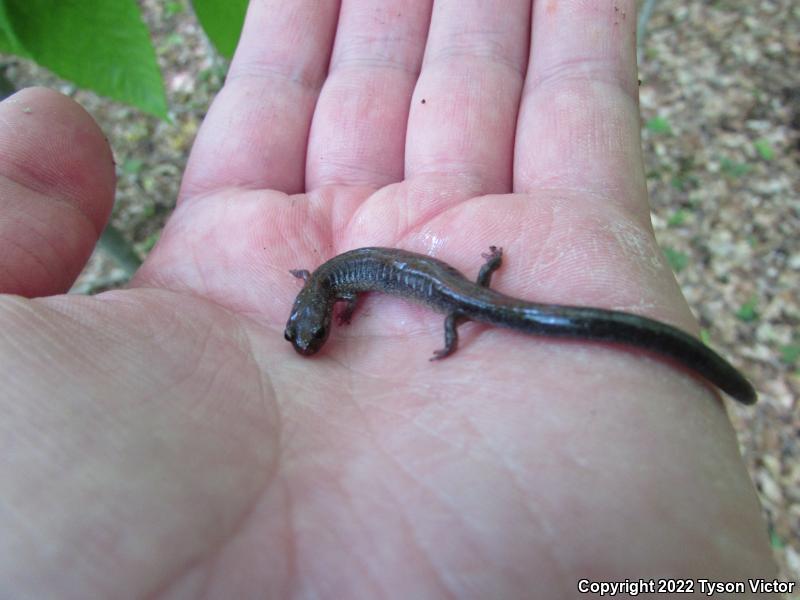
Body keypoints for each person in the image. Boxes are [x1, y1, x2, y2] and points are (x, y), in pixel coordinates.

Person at [0, 1, 777, 596]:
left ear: (321, 312)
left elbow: (341, 290)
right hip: (455, 290)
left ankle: (516, 312)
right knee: (478, 302)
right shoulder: (331, 285)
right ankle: (509, 304)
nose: (315, 334)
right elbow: (335, 289)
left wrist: (450, 319)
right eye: (311, 331)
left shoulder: (337, 285)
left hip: (463, 296)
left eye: (313, 330)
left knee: (474, 305)